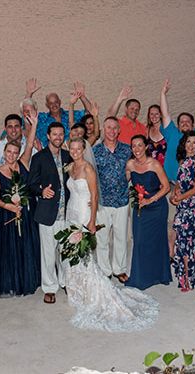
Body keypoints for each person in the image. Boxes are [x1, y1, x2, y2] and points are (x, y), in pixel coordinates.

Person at [63, 137, 159, 331]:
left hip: (83, 213)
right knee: (71, 252)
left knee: (85, 254)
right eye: (72, 149)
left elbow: (94, 194)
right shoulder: (70, 167)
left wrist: (91, 221)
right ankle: (77, 288)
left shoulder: (88, 168)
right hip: (71, 212)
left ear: (83, 149)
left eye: (78, 148)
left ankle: (93, 290)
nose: (74, 152)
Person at [0, 115, 40, 297]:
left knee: (27, 246)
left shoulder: (23, 163)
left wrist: (33, 125)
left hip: (26, 214)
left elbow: (29, 144)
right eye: (8, 152)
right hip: (9, 215)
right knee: (11, 248)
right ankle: (13, 281)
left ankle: (28, 280)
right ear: (4, 152)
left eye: (14, 152)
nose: (11, 155)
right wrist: (8, 206)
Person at [27, 122, 72, 304]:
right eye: (55, 134)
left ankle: (66, 282)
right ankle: (49, 287)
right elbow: (30, 184)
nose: (58, 137)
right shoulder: (39, 157)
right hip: (47, 214)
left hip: (68, 213)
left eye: (61, 134)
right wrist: (41, 191)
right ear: (48, 136)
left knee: (66, 252)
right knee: (48, 254)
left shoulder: (69, 156)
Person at [125, 134, 172, 290]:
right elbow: (123, 182)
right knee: (139, 241)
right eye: (133, 146)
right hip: (140, 207)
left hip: (157, 207)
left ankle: (158, 275)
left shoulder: (155, 164)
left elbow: (166, 187)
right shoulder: (130, 165)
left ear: (146, 146)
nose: (137, 149)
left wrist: (150, 200)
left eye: (140, 145)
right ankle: (140, 277)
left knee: (156, 241)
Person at [92, 117, 133, 281]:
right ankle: (104, 270)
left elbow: (133, 169)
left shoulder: (127, 150)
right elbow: (91, 176)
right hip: (102, 202)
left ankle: (120, 269)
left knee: (121, 237)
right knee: (101, 239)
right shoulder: (95, 151)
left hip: (122, 200)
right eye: (109, 127)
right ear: (103, 129)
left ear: (119, 130)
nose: (112, 131)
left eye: (115, 128)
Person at [171, 130, 195, 291]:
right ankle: (185, 275)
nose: (191, 145)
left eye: (194, 143)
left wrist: (181, 197)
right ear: (184, 144)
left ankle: (190, 277)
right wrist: (174, 193)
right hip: (182, 205)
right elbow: (179, 182)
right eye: (188, 142)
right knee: (182, 243)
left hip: (192, 206)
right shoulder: (182, 161)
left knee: (191, 243)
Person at [159, 78, 195, 181]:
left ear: (193, 125)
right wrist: (163, 93)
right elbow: (165, 114)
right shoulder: (172, 133)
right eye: (182, 122)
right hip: (170, 182)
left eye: (188, 122)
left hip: (191, 184)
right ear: (177, 125)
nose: (184, 123)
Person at [25, 78, 93, 146]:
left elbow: (90, 112)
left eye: (56, 102)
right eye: (51, 103)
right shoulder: (41, 118)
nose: (54, 105)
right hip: (47, 154)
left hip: (71, 153)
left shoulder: (71, 114)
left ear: (60, 102)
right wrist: (29, 94)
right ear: (47, 105)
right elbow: (26, 114)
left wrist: (82, 97)